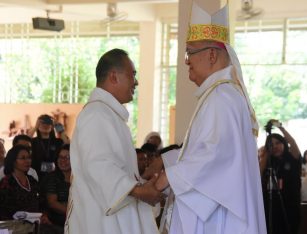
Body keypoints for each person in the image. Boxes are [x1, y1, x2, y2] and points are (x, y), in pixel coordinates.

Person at [149, 2, 266, 233]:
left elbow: (214, 157)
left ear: (212, 54)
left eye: (190, 52)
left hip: (219, 218)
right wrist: (166, 162)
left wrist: (165, 179)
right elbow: (208, 151)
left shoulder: (222, 97)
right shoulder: (223, 94)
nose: (186, 60)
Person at [65, 49, 163, 234]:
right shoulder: (96, 115)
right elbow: (98, 165)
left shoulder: (108, 115)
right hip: (100, 221)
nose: (136, 82)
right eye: (132, 74)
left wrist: (142, 184)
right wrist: (139, 191)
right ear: (113, 76)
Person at [259, 120, 301, 234]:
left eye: (278, 143)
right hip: (271, 206)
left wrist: (280, 127)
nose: (275, 146)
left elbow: (293, 143)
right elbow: (258, 174)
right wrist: (266, 154)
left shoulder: (292, 158)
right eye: (271, 145)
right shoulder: (269, 162)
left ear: (284, 143)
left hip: (290, 206)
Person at [45, 144, 71, 230]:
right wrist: (74, 213)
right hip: (58, 223)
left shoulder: (79, 177)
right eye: (60, 157)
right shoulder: (52, 177)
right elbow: (52, 203)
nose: (63, 160)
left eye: (67, 157)